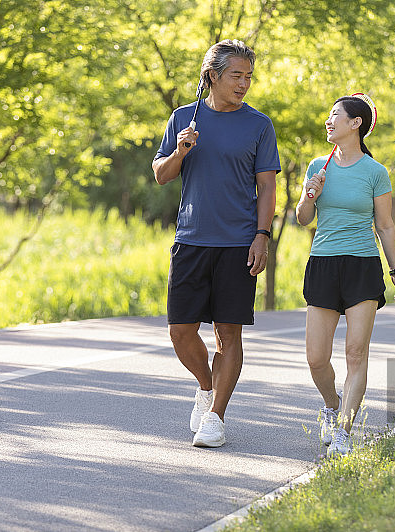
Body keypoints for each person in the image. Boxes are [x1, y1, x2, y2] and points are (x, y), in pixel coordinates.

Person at [152, 39, 280, 448]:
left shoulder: (259, 125)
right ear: (212, 76)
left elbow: (266, 186)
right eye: (236, 76)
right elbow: (161, 175)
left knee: (229, 332)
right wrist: (180, 151)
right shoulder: (182, 119)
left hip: (239, 242)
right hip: (191, 239)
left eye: (248, 77)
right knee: (180, 331)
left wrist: (262, 236)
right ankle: (206, 387)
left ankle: (216, 416)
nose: (244, 84)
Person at [295, 94, 395, 457]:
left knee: (356, 352)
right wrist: (309, 196)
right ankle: (332, 405)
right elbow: (302, 218)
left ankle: (344, 431)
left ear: (355, 123)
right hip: (323, 264)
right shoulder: (319, 165)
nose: (329, 121)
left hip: (361, 265)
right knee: (316, 358)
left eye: (335, 115)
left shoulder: (376, 173)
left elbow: (386, 226)